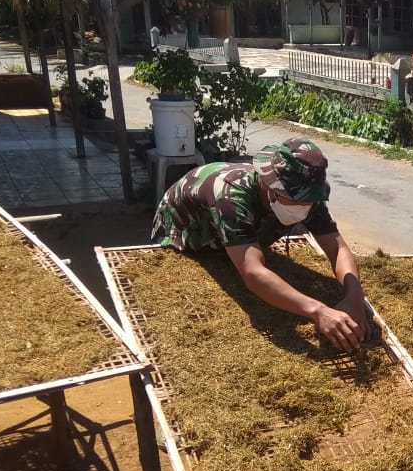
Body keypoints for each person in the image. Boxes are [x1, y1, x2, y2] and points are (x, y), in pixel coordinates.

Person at [151, 137, 366, 353]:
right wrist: (318, 311)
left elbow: (338, 248)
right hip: (188, 232)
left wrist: (354, 296)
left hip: (237, 225)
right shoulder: (231, 196)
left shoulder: (308, 196)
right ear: (268, 184)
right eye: (295, 199)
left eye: (308, 200)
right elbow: (253, 274)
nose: (304, 206)